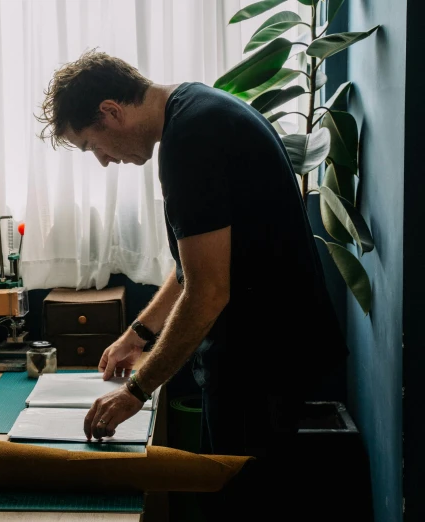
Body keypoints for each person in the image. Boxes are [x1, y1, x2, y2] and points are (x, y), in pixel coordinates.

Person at [36, 50, 347, 520]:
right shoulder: (197, 110)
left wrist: (134, 391)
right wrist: (137, 334)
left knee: (244, 501)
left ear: (110, 112)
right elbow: (192, 270)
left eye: (91, 145)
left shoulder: (191, 142)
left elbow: (208, 291)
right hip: (266, 354)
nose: (102, 161)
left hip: (261, 362)